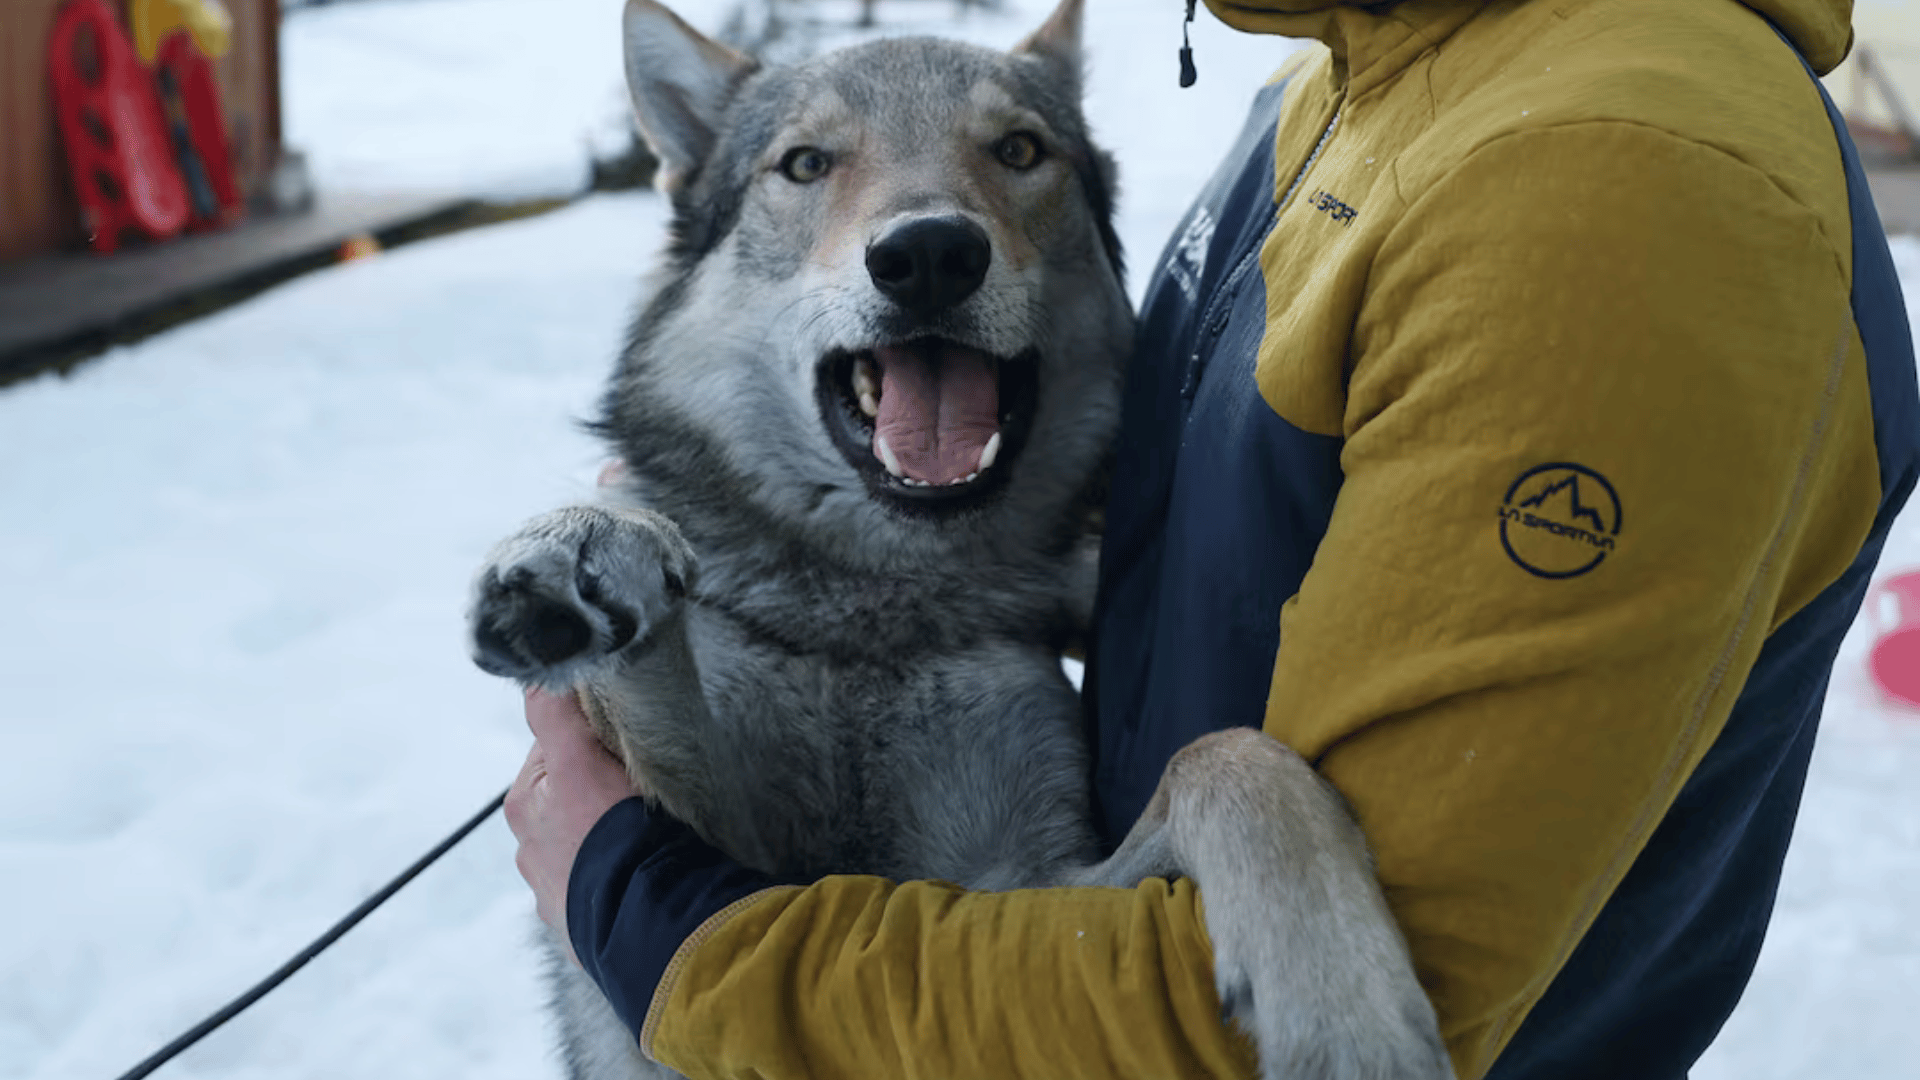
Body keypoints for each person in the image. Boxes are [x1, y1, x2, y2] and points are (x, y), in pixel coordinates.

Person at [506, 0, 1920, 1076]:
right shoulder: (1333, 92)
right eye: (817, 163)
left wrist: (656, 919)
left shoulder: (1616, 173)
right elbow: (1221, 518)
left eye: (1011, 152)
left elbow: (1290, 1014)